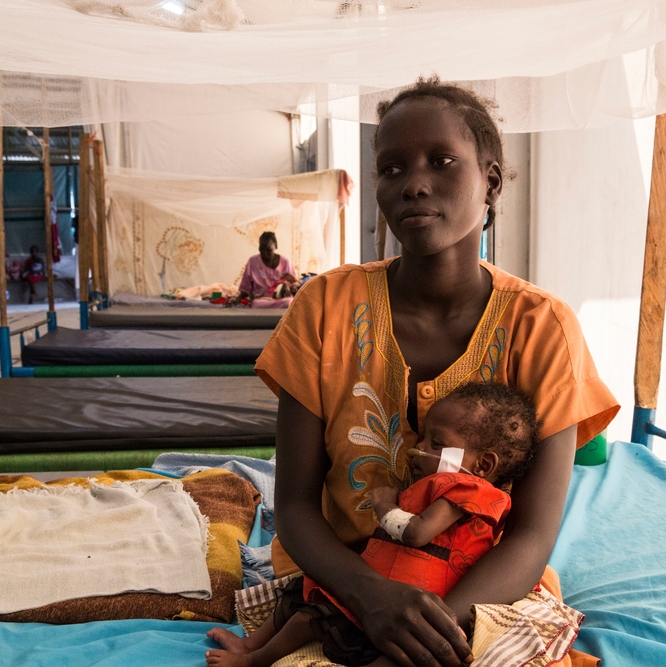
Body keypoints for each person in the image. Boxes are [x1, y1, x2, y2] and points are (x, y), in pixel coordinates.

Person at [252, 76, 620, 667]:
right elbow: (293, 505)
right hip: (342, 583)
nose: (414, 184)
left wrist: (431, 632)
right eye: (392, 169)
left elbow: (530, 535)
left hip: (484, 598)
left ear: (491, 182)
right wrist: (370, 598)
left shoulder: (542, 327)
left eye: (442, 161)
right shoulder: (324, 308)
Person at [206, 383, 542, 667]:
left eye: (436, 444)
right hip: (379, 580)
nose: (418, 449)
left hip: (411, 597)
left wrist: (384, 505)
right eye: (424, 438)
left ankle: (253, 661)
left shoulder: (470, 491)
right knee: (297, 593)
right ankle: (250, 646)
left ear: (482, 464)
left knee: (309, 620)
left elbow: (416, 533)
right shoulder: (440, 482)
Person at [238, 232, 298, 303]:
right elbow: (245, 287)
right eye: (261, 250)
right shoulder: (253, 261)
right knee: (256, 303)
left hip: (281, 300)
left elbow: (295, 285)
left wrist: (288, 287)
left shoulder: (285, 262)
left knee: (289, 302)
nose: (265, 254)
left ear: (276, 246)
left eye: (269, 250)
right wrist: (239, 298)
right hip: (261, 300)